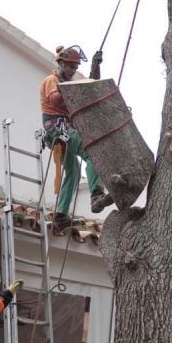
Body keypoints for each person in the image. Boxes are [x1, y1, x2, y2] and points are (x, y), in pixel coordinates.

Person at [40, 45, 113, 232]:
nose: (73, 71)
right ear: (61, 63)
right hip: (58, 130)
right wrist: (79, 91)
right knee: (91, 152)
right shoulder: (52, 80)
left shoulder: (67, 83)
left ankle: (61, 215)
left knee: (73, 171)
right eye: (71, 67)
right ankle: (96, 194)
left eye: (75, 67)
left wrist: (95, 69)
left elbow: (88, 89)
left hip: (62, 132)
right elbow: (56, 99)